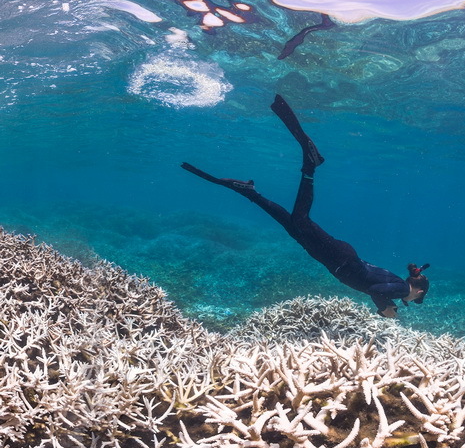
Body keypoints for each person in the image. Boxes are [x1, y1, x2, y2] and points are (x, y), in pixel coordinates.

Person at [181, 94, 428, 317]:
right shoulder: (399, 288)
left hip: (338, 258)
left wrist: (385, 304)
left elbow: (375, 285)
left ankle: (250, 193)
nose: (410, 300)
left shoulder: (397, 284)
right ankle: (310, 164)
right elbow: (375, 288)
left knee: (292, 226)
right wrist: (384, 308)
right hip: (340, 258)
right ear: (417, 292)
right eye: (416, 299)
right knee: (300, 220)